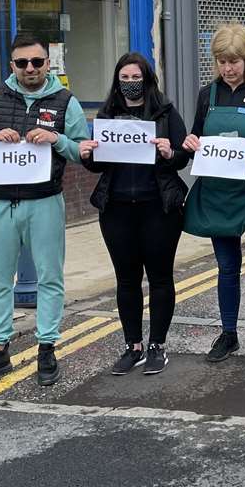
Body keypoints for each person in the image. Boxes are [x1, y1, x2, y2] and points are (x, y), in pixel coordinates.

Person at [0, 34, 90, 388]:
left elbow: (83, 151)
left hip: (45, 201)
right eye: (22, 63)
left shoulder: (66, 101)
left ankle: (46, 347)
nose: (29, 69)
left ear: (48, 63)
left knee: (50, 278)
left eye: (36, 62)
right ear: (12, 65)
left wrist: (58, 140)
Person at [182, 22, 245, 364]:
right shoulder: (206, 95)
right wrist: (190, 143)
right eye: (222, 61)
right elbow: (195, 139)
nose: (228, 69)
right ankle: (229, 334)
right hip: (218, 196)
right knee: (226, 268)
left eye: (234, 61)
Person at [81, 52, 191, 378]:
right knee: (126, 280)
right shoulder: (108, 113)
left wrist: (170, 152)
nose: (130, 83)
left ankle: (157, 345)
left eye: (136, 77)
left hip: (158, 206)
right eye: (124, 78)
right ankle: (133, 346)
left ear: (147, 78)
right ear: (117, 80)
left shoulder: (165, 111)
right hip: (116, 209)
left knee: (159, 277)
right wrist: (88, 155)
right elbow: (98, 163)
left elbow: (183, 154)